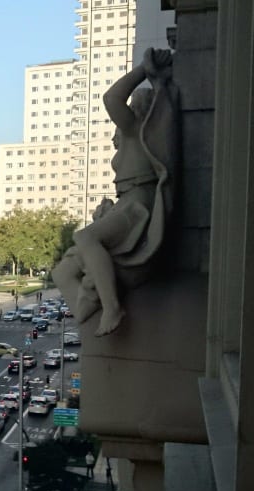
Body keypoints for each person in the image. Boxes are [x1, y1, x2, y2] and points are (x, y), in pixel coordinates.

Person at [52, 47, 179, 337]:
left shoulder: (137, 131)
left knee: (85, 236)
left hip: (138, 204)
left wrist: (143, 71)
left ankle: (112, 306)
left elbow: (111, 98)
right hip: (125, 203)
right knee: (62, 272)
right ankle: (88, 305)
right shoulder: (131, 142)